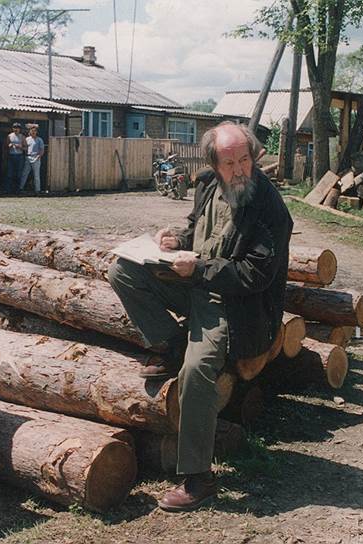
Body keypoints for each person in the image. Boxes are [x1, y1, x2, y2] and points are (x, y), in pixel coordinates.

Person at [108, 122, 293, 512]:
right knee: (122, 271)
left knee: (196, 371)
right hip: (194, 283)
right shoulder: (208, 182)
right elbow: (198, 229)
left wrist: (200, 270)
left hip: (233, 304)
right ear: (214, 162)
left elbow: (253, 276)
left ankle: (198, 478)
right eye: (230, 163)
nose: (240, 169)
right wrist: (176, 239)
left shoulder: (271, 209)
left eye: (245, 159)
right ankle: (172, 343)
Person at [19, 124, 45, 194]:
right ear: (30, 131)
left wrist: (38, 157)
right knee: (24, 174)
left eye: (34, 131)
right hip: (28, 157)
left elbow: (42, 150)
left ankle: (37, 190)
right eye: (32, 131)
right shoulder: (27, 139)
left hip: (36, 157)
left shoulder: (39, 139)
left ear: (36, 132)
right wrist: (20, 147)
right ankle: (20, 188)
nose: (33, 132)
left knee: (36, 175)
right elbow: (24, 148)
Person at [5, 122, 25, 194]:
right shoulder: (9, 136)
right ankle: (8, 190)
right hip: (11, 155)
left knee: (19, 174)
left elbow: (26, 148)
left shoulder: (22, 137)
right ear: (12, 128)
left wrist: (20, 147)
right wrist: (9, 145)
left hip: (19, 156)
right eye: (14, 128)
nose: (16, 129)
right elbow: (6, 146)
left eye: (17, 128)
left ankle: (17, 190)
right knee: (9, 173)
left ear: (20, 129)